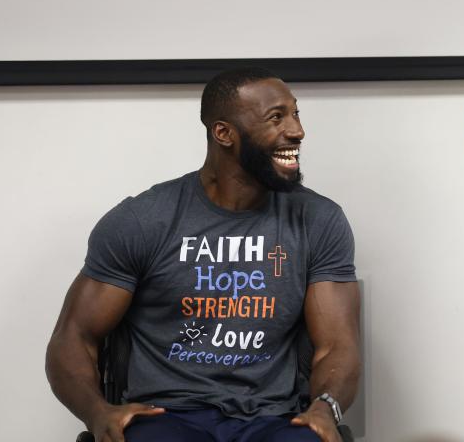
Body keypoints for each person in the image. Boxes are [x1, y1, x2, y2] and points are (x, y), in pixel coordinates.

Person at [46, 68, 360, 442]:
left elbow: (337, 345)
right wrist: (98, 413)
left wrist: (325, 407)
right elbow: (73, 338)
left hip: (276, 418)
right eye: (276, 117)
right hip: (166, 415)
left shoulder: (318, 221)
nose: (297, 130)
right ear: (224, 133)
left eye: (296, 113)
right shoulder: (143, 220)